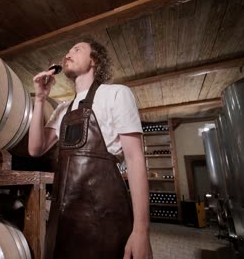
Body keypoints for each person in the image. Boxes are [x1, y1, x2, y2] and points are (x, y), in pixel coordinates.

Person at [28, 38, 152, 259]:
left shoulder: (116, 93)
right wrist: (40, 99)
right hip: (62, 222)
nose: (68, 54)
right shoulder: (63, 109)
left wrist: (141, 230)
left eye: (77, 49)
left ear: (94, 60)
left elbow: (134, 159)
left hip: (104, 221)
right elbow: (35, 149)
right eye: (67, 50)